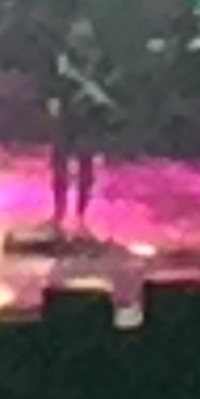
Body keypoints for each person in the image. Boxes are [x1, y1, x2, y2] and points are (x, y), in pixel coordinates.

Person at [47, 17, 117, 237]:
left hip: (88, 120)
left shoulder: (100, 62)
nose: (78, 42)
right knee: (59, 166)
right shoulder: (64, 61)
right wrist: (54, 101)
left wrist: (98, 97)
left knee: (85, 168)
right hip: (67, 118)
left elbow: (108, 90)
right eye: (75, 37)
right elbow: (54, 86)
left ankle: (81, 215)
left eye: (83, 37)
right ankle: (58, 213)